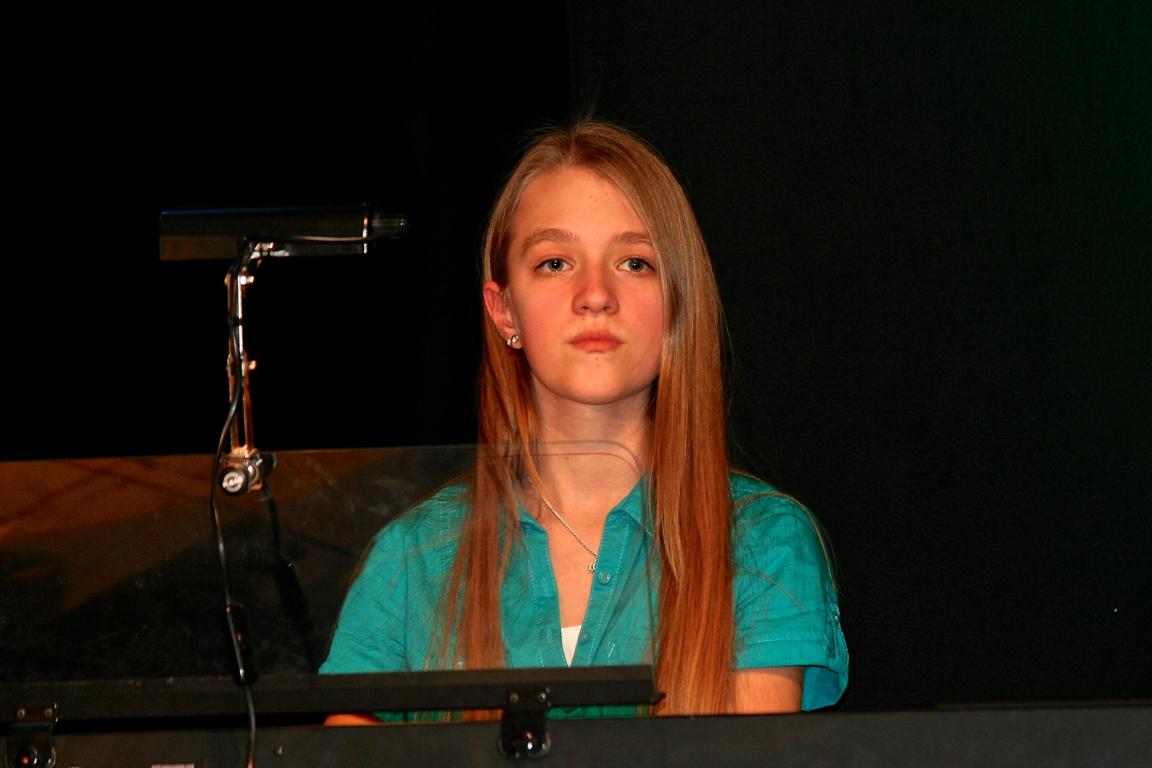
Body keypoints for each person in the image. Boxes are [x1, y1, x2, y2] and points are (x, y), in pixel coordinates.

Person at [320, 118, 848, 722]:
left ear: (679, 303)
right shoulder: (414, 558)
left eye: (635, 263)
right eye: (555, 263)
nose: (595, 294)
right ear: (504, 309)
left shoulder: (759, 542)